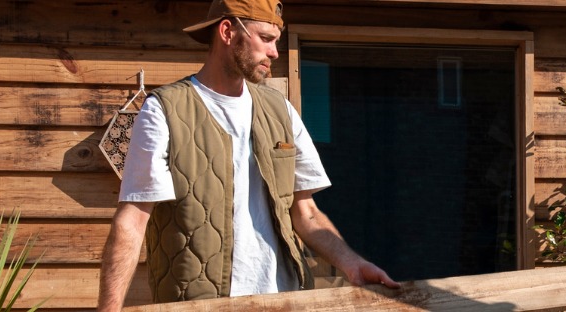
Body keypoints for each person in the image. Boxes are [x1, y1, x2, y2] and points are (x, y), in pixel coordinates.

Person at [96, 0, 398, 310]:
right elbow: (132, 221)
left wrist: (352, 263)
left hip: (285, 300)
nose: (274, 53)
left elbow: (305, 211)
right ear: (227, 31)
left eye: (277, 42)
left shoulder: (281, 111)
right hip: (202, 305)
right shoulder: (164, 111)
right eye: (266, 39)